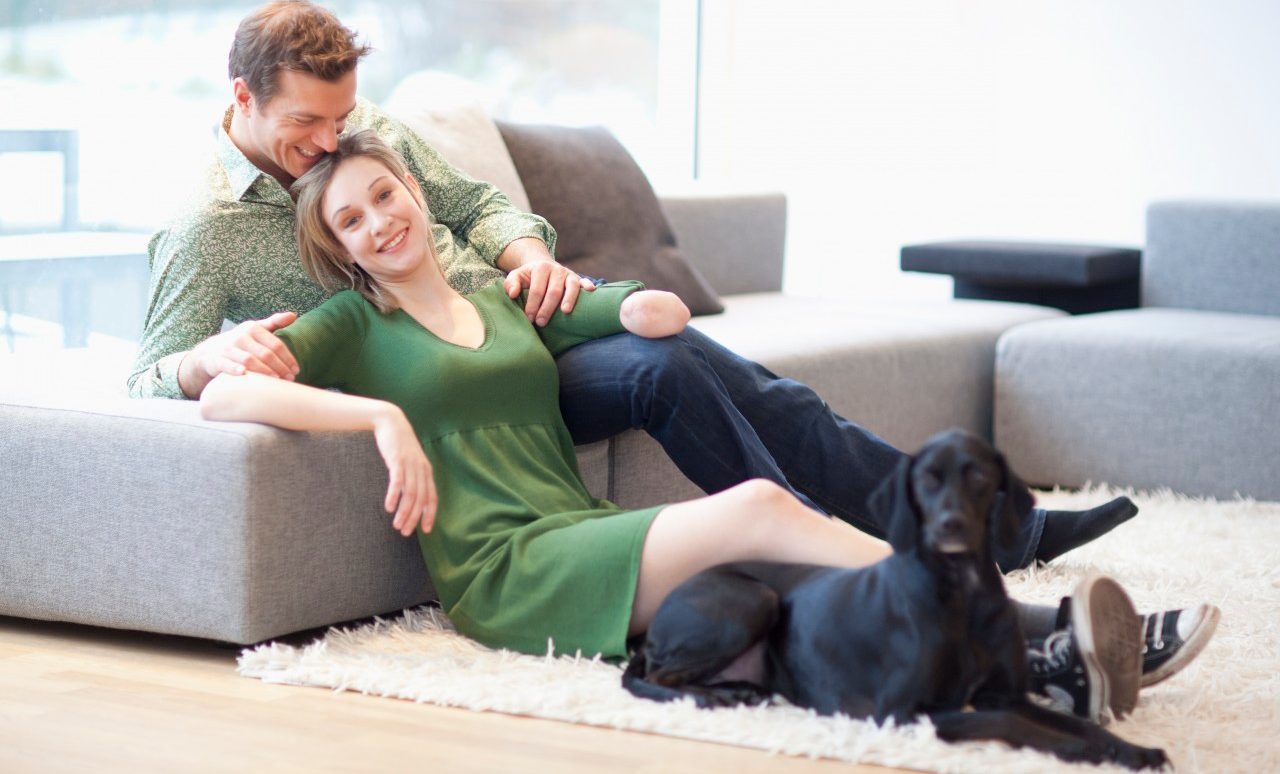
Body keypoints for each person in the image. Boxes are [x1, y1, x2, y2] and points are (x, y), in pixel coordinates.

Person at [133, 0, 1216, 717]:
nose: (334, 151)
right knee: (702, 424)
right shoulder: (216, 236)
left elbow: (475, 208)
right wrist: (261, 378)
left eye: (347, 134)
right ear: (243, 102)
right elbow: (163, 378)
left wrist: (541, 266)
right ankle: (985, 606)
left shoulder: (379, 158)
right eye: (309, 132)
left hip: (498, 348)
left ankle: (986, 576)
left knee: (678, 356)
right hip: (433, 422)